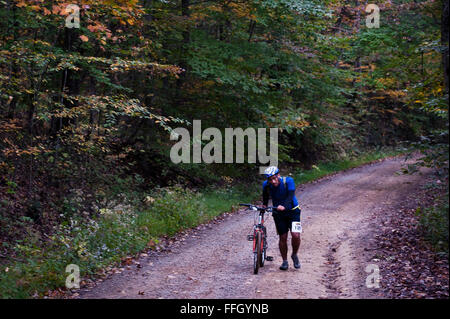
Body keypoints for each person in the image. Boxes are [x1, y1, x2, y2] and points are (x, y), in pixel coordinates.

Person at [262, 166, 301, 270]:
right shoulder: (266, 185)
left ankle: (294, 255)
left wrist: (284, 206)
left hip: (293, 211)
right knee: (282, 237)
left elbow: (290, 195)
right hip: (278, 213)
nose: (273, 181)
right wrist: (264, 206)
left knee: (296, 235)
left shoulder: (288, 181)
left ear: (278, 175)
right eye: (270, 179)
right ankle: (285, 261)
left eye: (275, 178)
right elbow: (265, 197)